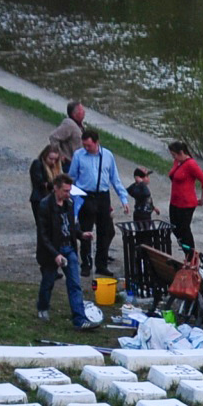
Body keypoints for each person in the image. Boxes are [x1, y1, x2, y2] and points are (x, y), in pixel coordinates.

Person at [34, 175, 96, 330]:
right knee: (48, 281)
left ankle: (79, 319)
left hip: (68, 248)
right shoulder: (44, 206)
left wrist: (81, 234)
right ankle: (42, 307)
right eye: (65, 190)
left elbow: (71, 226)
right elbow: (43, 235)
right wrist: (55, 254)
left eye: (69, 191)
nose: (68, 194)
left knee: (75, 284)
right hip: (51, 251)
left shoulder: (69, 204)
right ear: (56, 188)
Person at [66, 129, 127, 276]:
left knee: (104, 232)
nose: (86, 148)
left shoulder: (108, 156)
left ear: (96, 142)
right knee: (85, 231)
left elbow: (115, 179)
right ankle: (86, 264)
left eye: (89, 145)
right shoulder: (79, 155)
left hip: (103, 196)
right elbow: (72, 177)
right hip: (85, 195)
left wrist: (123, 198)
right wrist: (71, 195)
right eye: (84, 145)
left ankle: (101, 264)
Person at [166, 140, 203, 255]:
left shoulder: (191, 164)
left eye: (174, 155)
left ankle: (191, 255)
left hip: (186, 204)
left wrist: (202, 199)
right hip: (175, 201)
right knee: (175, 228)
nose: (173, 157)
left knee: (184, 230)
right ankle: (187, 251)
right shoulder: (177, 162)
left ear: (181, 152)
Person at [28, 144, 63, 237]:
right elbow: (39, 182)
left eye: (55, 159)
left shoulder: (55, 168)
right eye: (50, 159)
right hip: (40, 198)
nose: (53, 162)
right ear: (45, 156)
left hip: (50, 198)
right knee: (43, 227)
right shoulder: (38, 164)